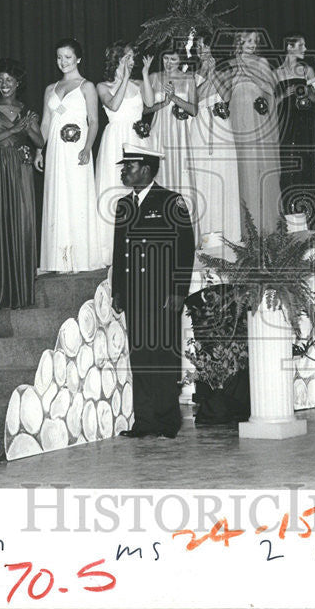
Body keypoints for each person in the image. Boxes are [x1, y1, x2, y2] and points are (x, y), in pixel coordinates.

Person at [111, 145, 196, 438]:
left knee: (163, 357)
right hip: (135, 294)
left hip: (162, 295)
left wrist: (178, 291)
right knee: (141, 357)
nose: (124, 172)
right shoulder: (124, 204)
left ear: (146, 169)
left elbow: (185, 249)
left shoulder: (171, 201)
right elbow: (119, 251)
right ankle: (145, 421)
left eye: (129, 167)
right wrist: (118, 291)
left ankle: (167, 421)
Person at [0, 58, 43, 308]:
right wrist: (14, 131)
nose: (4, 84)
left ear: (18, 83)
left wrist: (27, 128)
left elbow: (39, 141)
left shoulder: (26, 110)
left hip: (20, 169)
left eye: (9, 80)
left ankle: (21, 293)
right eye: (0, 80)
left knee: (21, 223)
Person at [36, 38, 106, 272]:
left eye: (67, 57)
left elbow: (94, 121)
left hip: (78, 151)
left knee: (77, 197)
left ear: (78, 58)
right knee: (57, 196)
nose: (62, 62)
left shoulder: (87, 86)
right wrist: (39, 149)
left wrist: (87, 148)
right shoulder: (50, 89)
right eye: (59, 57)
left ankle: (81, 258)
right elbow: (46, 124)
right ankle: (58, 260)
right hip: (56, 151)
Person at [97, 41, 156, 264]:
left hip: (138, 140)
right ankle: (115, 248)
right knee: (116, 189)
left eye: (133, 57)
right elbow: (113, 105)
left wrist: (145, 73)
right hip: (116, 141)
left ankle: (142, 241)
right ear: (118, 59)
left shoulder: (139, 82)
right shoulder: (102, 86)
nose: (133, 60)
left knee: (142, 189)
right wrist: (122, 80)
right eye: (129, 57)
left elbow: (149, 102)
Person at [219, 29, 282, 232]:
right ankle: (246, 227)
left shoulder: (261, 62)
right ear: (239, 42)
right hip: (238, 120)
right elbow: (226, 95)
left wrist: (253, 77)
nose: (252, 45)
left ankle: (267, 224)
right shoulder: (230, 64)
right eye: (248, 41)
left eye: (255, 41)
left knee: (260, 166)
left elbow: (271, 90)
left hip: (257, 121)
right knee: (243, 170)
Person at [188, 30, 242, 243]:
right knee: (203, 177)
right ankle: (207, 234)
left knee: (222, 175)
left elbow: (227, 95)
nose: (201, 50)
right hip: (200, 124)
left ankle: (227, 233)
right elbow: (195, 100)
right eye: (198, 46)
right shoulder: (194, 72)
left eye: (205, 46)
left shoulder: (225, 67)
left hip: (220, 123)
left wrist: (212, 75)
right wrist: (204, 75)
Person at [145, 45, 198, 218]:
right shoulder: (154, 77)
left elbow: (194, 110)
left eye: (173, 59)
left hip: (180, 135)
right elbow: (145, 109)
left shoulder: (189, 78)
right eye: (166, 59)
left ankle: (182, 222)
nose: (169, 63)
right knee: (160, 174)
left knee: (180, 174)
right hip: (159, 132)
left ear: (180, 60)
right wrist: (163, 104)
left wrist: (174, 98)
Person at [274, 32, 315, 227]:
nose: (306, 50)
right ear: (290, 47)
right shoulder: (276, 73)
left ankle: (310, 218)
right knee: (288, 169)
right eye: (302, 46)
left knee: (307, 167)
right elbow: (269, 103)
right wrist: (284, 94)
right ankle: (292, 221)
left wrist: (308, 91)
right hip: (285, 125)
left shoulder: (307, 70)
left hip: (305, 124)